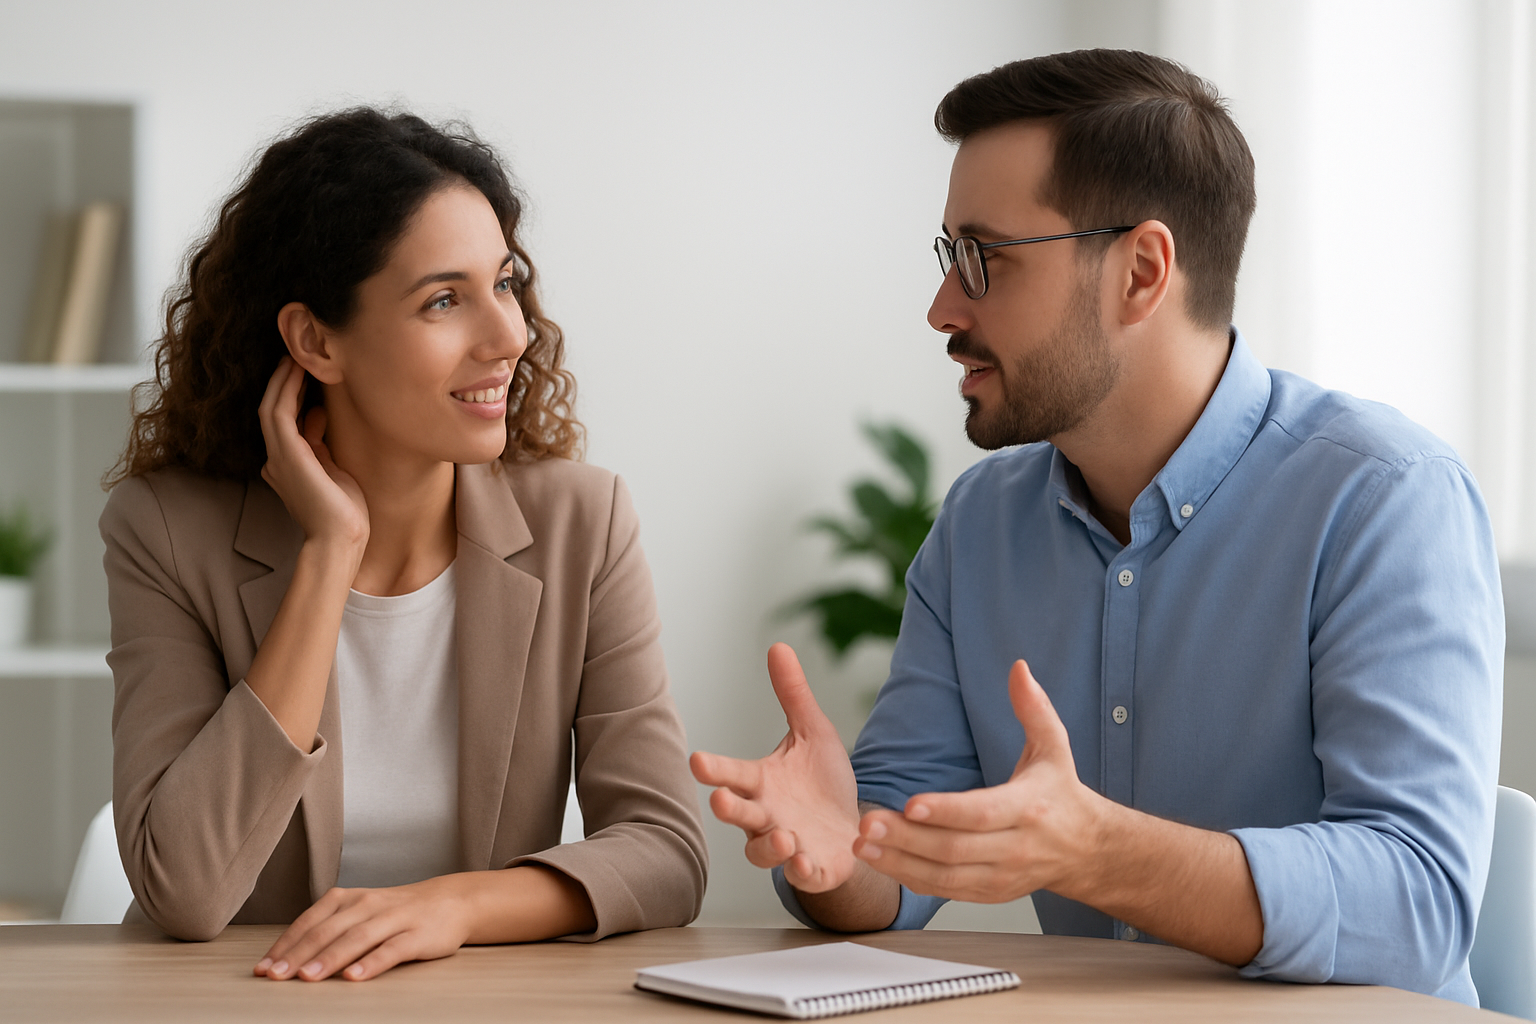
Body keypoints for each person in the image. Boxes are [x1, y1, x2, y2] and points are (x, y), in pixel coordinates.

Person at [692, 49, 1503, 1005]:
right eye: (948, 256)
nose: (942, 307)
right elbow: (894, 868)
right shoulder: (979, 527)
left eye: (983, 259)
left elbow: (1415, 907)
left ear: (1142, 271)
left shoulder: (1385, 501)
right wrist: (840, 853)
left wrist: (1097, 851)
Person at [100, 108, 706, 982]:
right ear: (316, 341)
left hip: (475, 999)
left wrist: (452, 905)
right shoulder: (164, 531)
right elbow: (185, 889)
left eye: (505, 283)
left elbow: (666, 851)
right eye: (444, 300)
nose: (509, 337)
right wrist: (329, 555)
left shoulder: (584, 522)